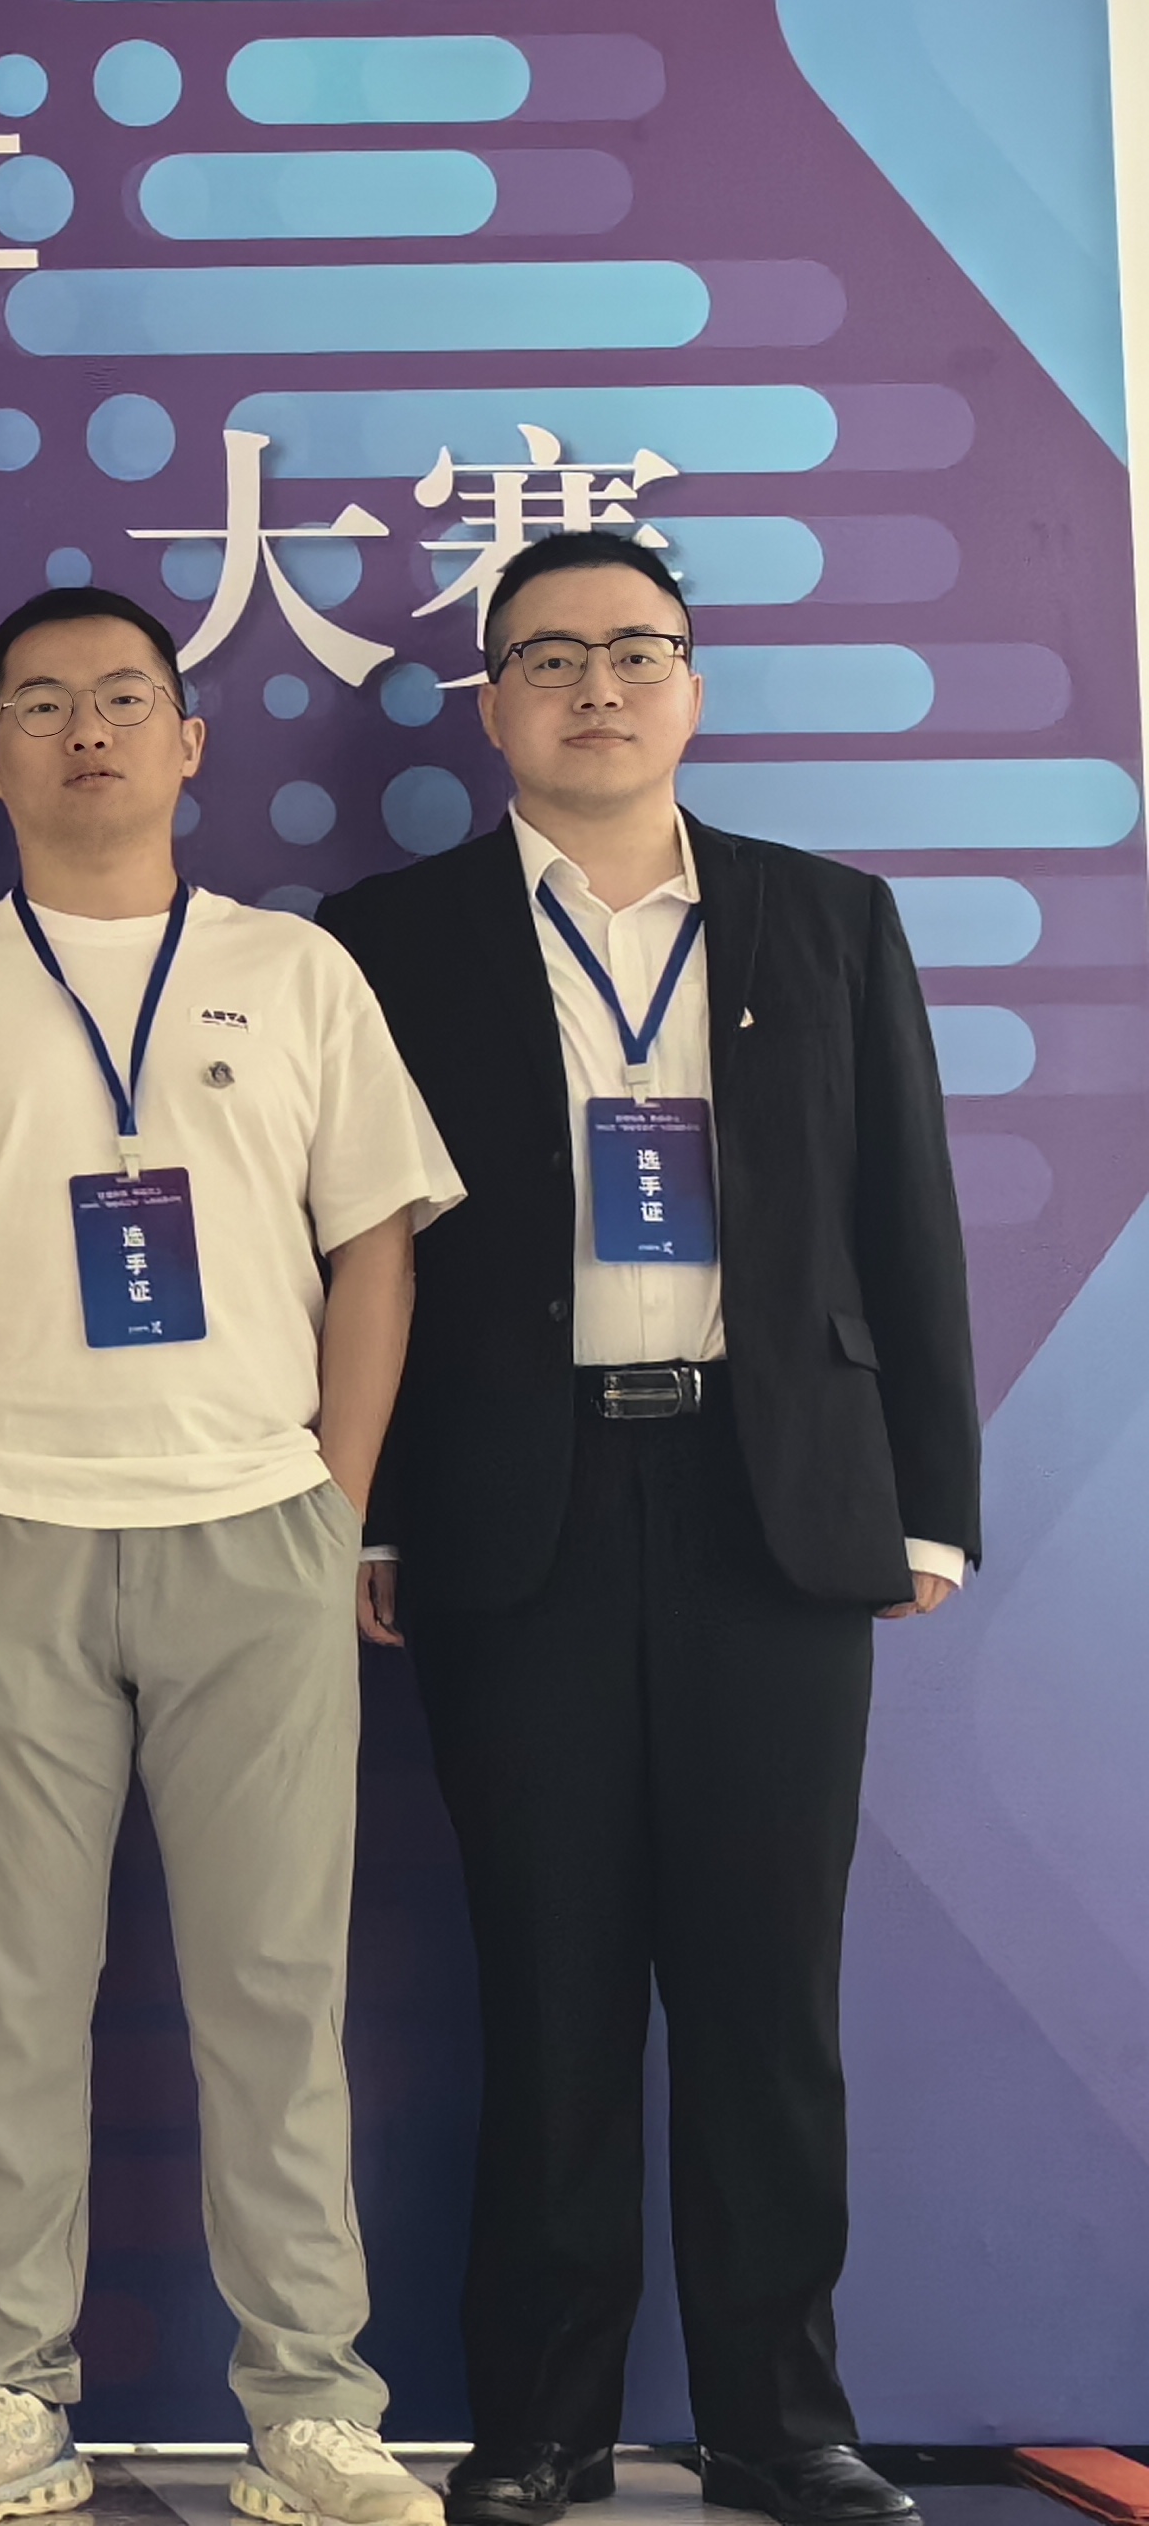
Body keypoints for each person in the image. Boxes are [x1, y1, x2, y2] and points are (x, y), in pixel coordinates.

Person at [317, 530, 975, 2526]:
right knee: (549, 1983)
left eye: (632, 651)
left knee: (767, 1988)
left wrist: (928, 1505)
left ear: (689, 685)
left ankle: (780, 2423)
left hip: (773, 1504)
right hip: (509, 1502)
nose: (593, 688)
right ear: (489, 703)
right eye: (547, 657)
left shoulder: (825, 918)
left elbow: (905, 1216)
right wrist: (366, 1509)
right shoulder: (384, 936)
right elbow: (343, 1245)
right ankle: (538, 2426)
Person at [0, 587, 460, 2526]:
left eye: (122, 699)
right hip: (0, 1535)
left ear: (188, 743)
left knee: (275, 1994)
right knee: (6, 1996)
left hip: (252, 1533)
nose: (84, 732)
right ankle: (2, 2399)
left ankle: (313, 2410)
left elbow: (374, 1246)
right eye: (39, 705)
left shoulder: (294, 972)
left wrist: (329, 1499)